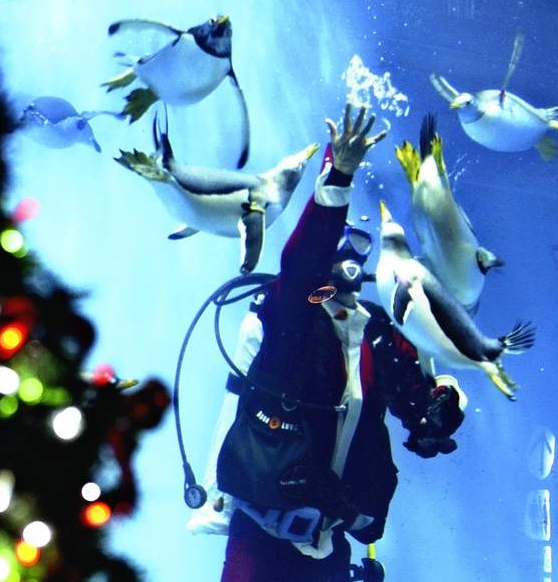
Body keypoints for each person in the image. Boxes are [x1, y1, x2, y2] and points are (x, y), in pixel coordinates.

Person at [214, 104, 466, 582]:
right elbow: (301, 263)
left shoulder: (375, 331)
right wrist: (338, 179)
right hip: (259, 540)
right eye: (340, 248)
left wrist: (443, 408)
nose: (352, 259)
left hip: (330, 542)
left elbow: (419, 403)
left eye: (360, 250)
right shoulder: (292, 318)